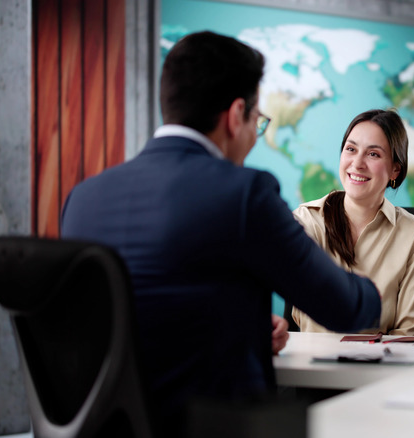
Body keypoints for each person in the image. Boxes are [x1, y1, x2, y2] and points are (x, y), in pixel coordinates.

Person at [60, 31, 381, 434]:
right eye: (257, 121)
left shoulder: (82, 198)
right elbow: (344, 307)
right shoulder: (243, 193)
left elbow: (145, 311)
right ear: (235, 115)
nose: (254, 136)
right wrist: (374, 292)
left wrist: (241, 325)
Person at [291, 109, 414, 336]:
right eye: (351, 149)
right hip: (314, 356)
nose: (357, 163)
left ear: (395, 169)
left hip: (385, 359)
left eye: (373, 154)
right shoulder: (306, 221)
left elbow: (410, 334)